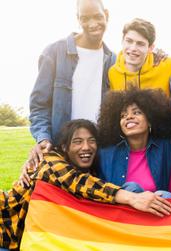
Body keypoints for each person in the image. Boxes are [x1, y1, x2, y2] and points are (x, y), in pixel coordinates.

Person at [0, 119, 171, 250]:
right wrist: (133, 198)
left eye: (91, 141)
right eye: (77, 141)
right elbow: (76, 182)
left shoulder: (91, 170)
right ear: (64, 147)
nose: (86, 147)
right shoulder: (49, 160)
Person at [29, 0, 115, 166]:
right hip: (61, 151)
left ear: (107, 15)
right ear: (78, 19)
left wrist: (155, 54)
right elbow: (39, 106)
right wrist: (43, 138)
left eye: (97, 16)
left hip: (99, 153)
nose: (92, 24)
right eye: (85, 18)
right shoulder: (54, 53)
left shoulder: (113, 60)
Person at [96, 88, 171, 198]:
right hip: (124, 211)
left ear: (150, 120)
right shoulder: (106, 153)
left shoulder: (166, 145)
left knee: (164, 195)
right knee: (131, 188)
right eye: (123, 116)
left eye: (136, 112)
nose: (129, 117)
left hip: (161, 208)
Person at [108, 18, 171, 96]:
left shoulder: (167, 66)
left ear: (150, 48)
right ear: (122, 41)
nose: (133, 48)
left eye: (140, 44)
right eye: (129, 41)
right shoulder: (113, 73)